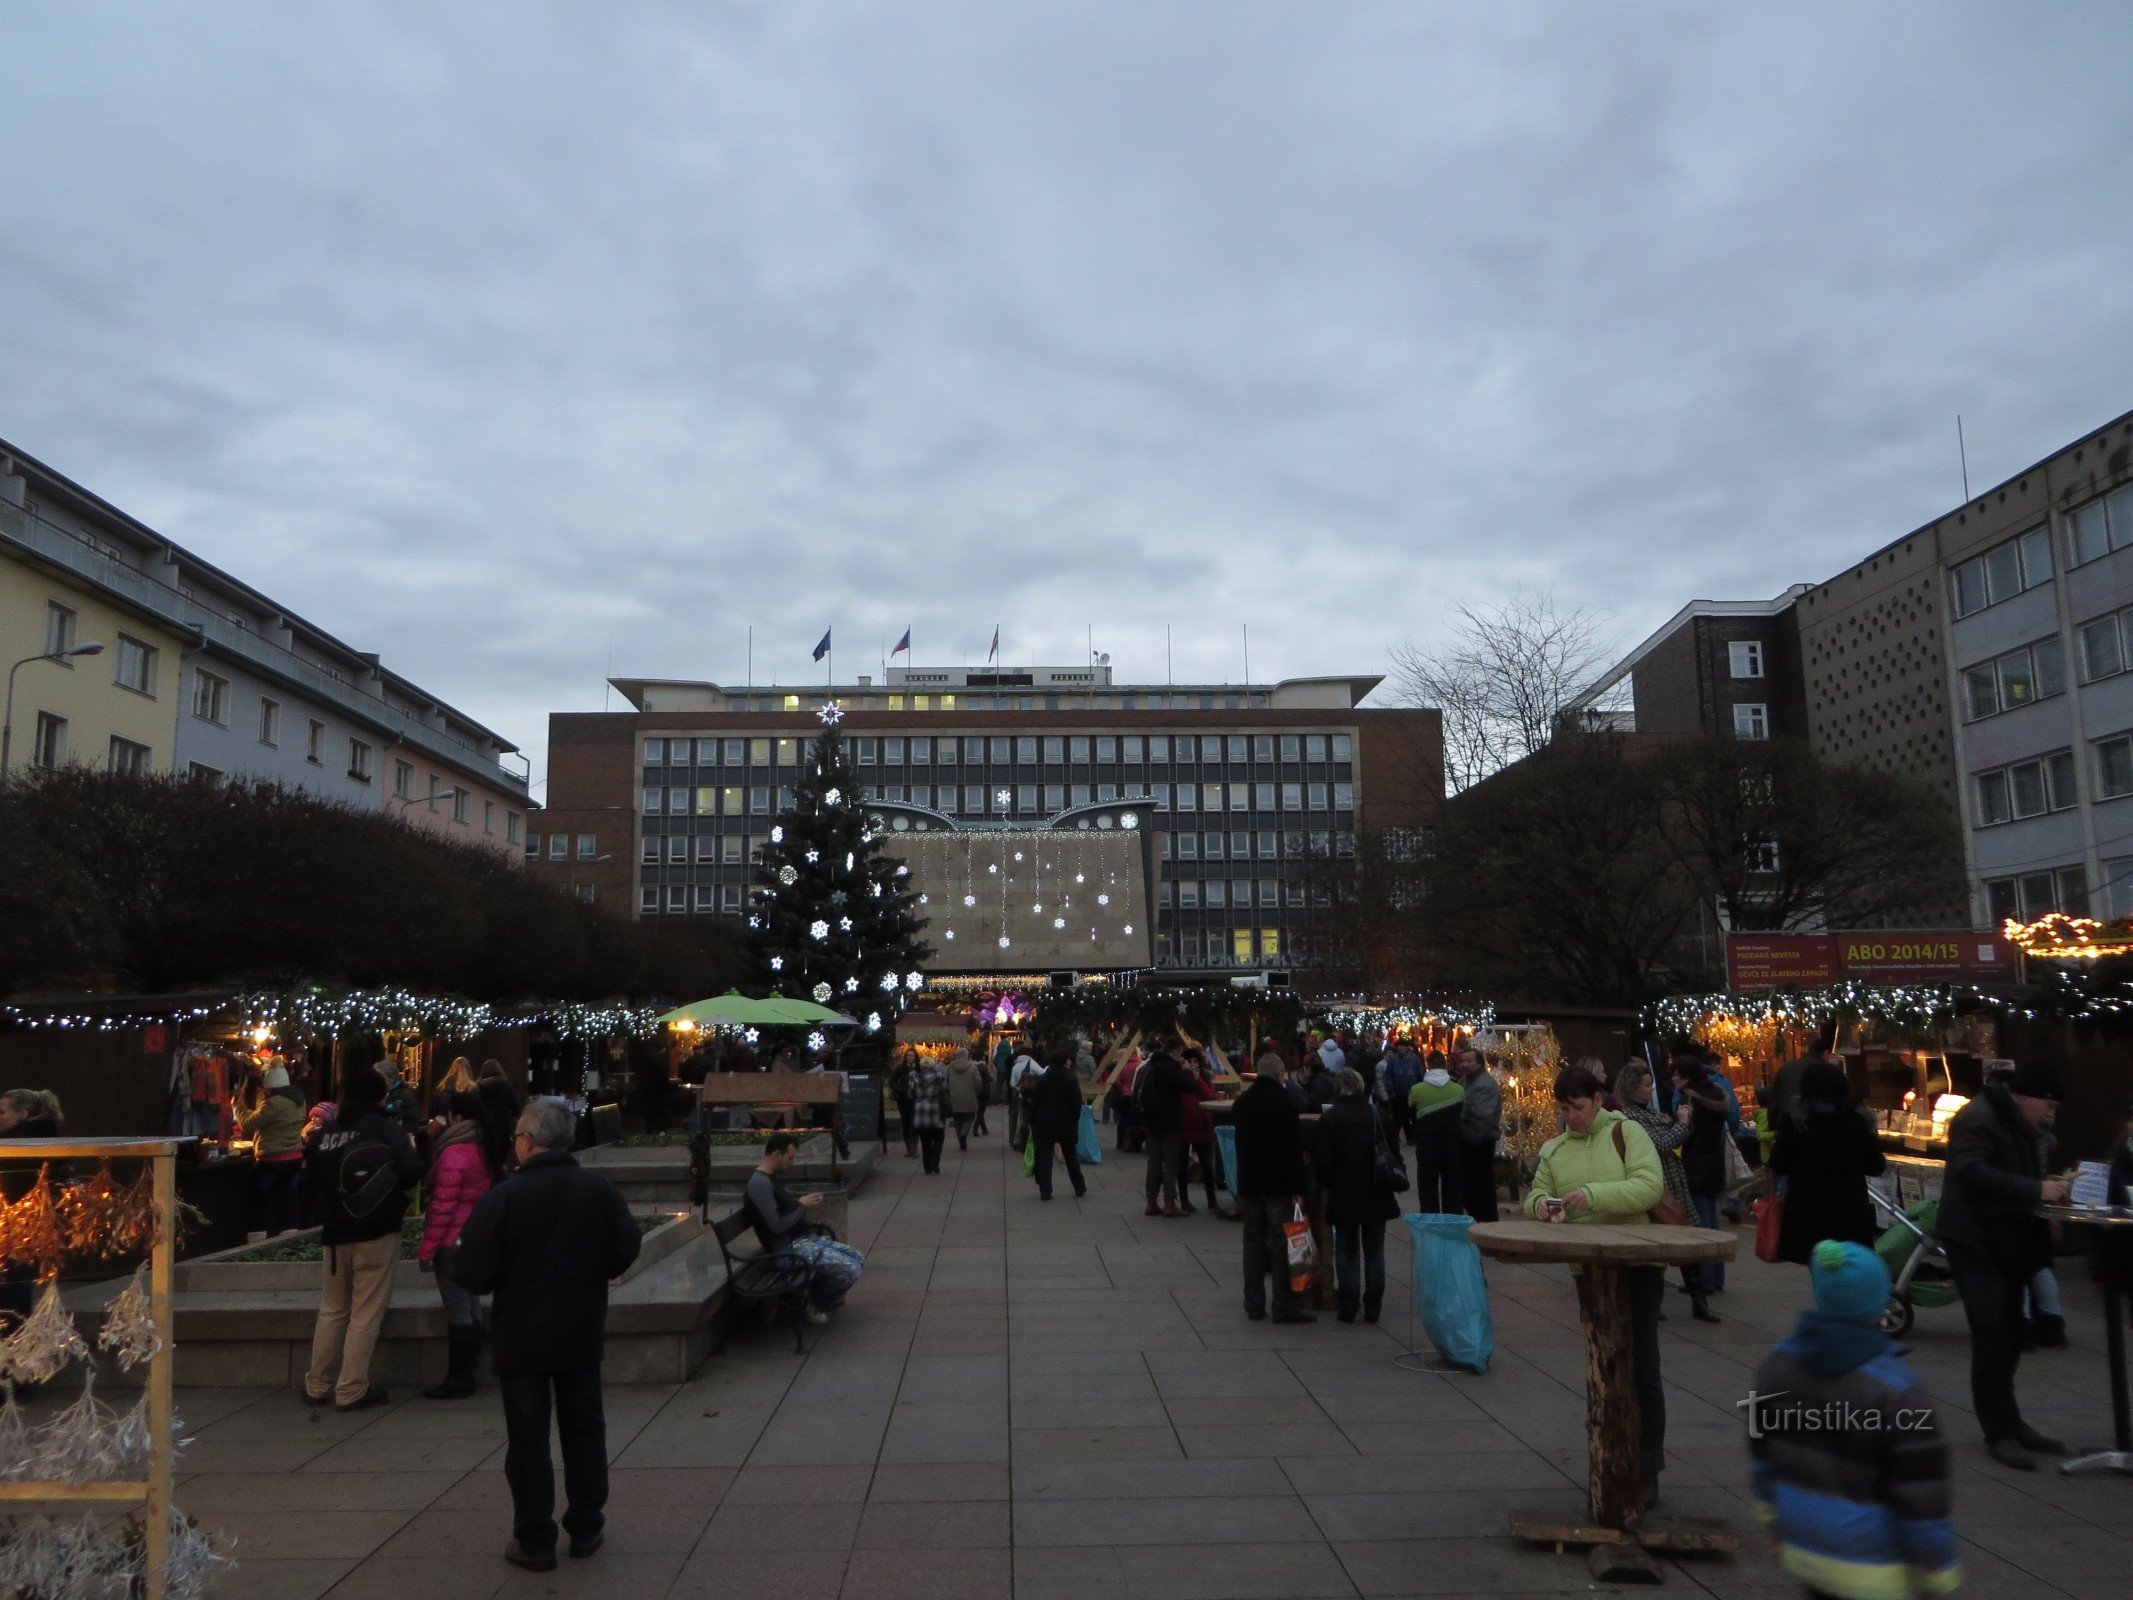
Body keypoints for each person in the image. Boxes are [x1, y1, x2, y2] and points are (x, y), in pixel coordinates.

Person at [454, 1097, 641, 1571]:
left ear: (529, 1140)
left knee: (528, 1440)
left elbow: (474, 1272)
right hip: (580, 1330)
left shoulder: (505, 1197)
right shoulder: (597, 1191)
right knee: (584, 1429)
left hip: (522, 1338)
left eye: (518, 1137)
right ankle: (586, 1526)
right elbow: (625, 1247)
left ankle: (535, 1537)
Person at [1747, 1240, 1959, 1600]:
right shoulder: (1897, 1388)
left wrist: (1773, 1522)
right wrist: (1937, 1567)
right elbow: (1921, 1493)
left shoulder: (1777, 1364)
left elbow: (1763, 1457)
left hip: (1807, 1547)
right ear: (1880, 1306)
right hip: (1874, 1568)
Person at [1525, 1062, 1669, 1507]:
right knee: (1603, 1360)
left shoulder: (1627, 1132)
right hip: (1587, 1268)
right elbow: (1534, 1195)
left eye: (1579, 1107)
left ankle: (1646, 1466)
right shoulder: (1554, 1149)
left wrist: (1593, 1195)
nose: (1572, 1116)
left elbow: (1648, 1187)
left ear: (1597, 1101)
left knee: (1641, 1362)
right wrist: (1542, 1209)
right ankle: (1609, 1458)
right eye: (1565, 1108)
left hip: (1638, 1262)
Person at [1936, 1060, 2071, 1469]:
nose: (2050, 1115)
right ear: (2025, 1097)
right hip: (1976, 1241)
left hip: (2007, 1238)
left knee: (2011, 1332)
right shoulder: (1979, 1117)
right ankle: (1998, 1431)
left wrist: (2050, 1189)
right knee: (1993, 1334)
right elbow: (1971, 1173)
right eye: (2047, 1106)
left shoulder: (2017, 1121)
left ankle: (2013, 1423)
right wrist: (2035, 1188)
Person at [302, 1064, 421, 1412]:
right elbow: (412, 1170)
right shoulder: (385, 1128)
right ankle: (351, 1389)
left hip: (335, 1235)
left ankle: (316, 1384)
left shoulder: (326, 1133)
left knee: (332, 1309)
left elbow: (310, 1183)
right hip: (378, 1230)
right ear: (378, 1096)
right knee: (366, 1312)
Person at [419, 1090, 506, 1399]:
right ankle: (472, 1368)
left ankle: (460, 1376)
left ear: (456, 1118)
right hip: (473, 1238)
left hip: (451, 1242)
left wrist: (427, 1250)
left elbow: (442, 1206)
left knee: (458, 1308)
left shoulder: (455, 1153)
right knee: (470, 1303)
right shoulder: (484, 1148)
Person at [1617, 1060, 1716, 1324]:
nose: (1651, 1089)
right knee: (1664, 1241)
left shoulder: (1646, 1113)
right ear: (1633, 1088)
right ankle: (1664, 1302)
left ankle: (1697, 1300)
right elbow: (1663, 1143)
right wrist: (1682, 1123)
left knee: (1682, 1240)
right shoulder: (1633, 1117)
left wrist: (1675, 1123)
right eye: (1647, 1085)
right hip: (1659, 1184)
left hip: (1673, 1180)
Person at [1769, 1061, 1886, 1267]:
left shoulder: (1798, 1119)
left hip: (1807, 1208)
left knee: (1817, 1263)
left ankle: (1825, 1297)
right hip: (1849, 1207)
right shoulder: (1857, 1120)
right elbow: (1876, 1165)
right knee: (1850, 1264)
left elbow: (1780, 1163)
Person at [744, 1131, 865, 1319]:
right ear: (777, 1155)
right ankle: (817, 1303)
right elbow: (776, 1225)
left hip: (800, 1240)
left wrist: (800, 1204)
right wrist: (802, 1205)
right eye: (790, 1158)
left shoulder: (770, 1179)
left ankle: (818, 1296)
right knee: (851, 1269)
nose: (792, 1163)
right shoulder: (759, 1184)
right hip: (786, 1250)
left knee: (857, 1258)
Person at [1232, 1052, 1315, 1324]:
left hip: (1250, 1183)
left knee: (1252, 1242)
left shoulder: (1243, 1104)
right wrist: (1298, 1187)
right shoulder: (1284, 1104)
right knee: (1280, 1246)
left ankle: (1253, 1304)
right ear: (1280, 1075)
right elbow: (1291, 1151)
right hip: (1278, 1186)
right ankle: (1282, 1305)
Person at [1313, 1069, 1400, 1324]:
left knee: (1345, 1250)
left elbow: (1324, 1165)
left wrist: (1331, 1181)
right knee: (1375, 1252)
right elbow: (1393, 1151)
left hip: (1345, 1193)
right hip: (1377, 1192)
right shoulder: (1378, 1114)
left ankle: (1348, 1305)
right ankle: (1373, 1306)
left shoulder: (1330, 1118)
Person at [1673, 1057, 1733, 1293]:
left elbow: (1684, 1131)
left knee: (1701, 1224)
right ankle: (1717, 1278)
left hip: (1695, 1163)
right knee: (1713, 1222)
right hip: (1714, 1161)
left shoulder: (1689, 1098)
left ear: (1686, 1076)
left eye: (1676, 1074)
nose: (1674, 1079)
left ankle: (1704, 1281)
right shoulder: (1717, 1094)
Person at [241, 1064, 308, 1240]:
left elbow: (248, 1125)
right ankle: (288, 1242)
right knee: (287, 1202)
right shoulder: (299, 1099)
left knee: (259, 1203)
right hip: (294, 1157)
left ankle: (255, 1243)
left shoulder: (272, 1104)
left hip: (271, 1159)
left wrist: (237, 1105)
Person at [1135, 1038, 1194, 1218]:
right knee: (1170, 1163)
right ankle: (1169, 1202)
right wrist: (1188, 1072)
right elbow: (1189, 1087)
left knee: (1153, 1162)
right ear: (1176, 1051)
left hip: (1151, 1122)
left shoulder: (1149, 1066)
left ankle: (1151, 1202)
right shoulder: (1171, 1069)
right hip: (1169, 1122)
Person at [1407, 1054, 1465, 1213]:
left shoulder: (1416, 1090)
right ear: (1445, 1065)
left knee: (1427, 1190)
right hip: (1452, 1146)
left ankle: (1430, 1225)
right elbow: (1463, 1115)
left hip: (1427, 1146)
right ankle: (1452, 1223)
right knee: (1453, 1189)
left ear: (1428, 1065)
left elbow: (1411, 1112)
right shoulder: (1459, 1090)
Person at [1028, 1052, 1089, 1201]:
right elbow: (1076, 1103)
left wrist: (1032, 1120)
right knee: (1070, 1156)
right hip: (1066, 1121)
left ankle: (1045, 1190)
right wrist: (1075, 1118)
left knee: (1045, 1157)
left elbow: (1035, 1102)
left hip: (1045, 1121)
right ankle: (1079, 1186)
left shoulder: (1042, 1079)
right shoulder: (1071, 1079)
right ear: (1064, 1062)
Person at [1458, 1047, 1502, 1224]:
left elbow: (1481, 1118)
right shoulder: (1464, 1080)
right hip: (1469, 1140)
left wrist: (1468, 1136)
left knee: (1480, 1185)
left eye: (1469, 1061)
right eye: (1463, 1061)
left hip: (1479, 1142)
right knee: (1470, 1186)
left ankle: (1487, 1222)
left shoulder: (1484, 1084)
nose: (1465, 1064)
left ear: (1479, 1063)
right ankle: (1478, 1220)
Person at [1769, 1023, 1840, 1130]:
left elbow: (1774, 1099)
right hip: (1815, 1127)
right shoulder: (1825, 1070)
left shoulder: (1786, 1067)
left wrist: (1774, 1125)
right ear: (1826, 1053)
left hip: (1787, 1126)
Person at [1180, 1051, 1222, 1214]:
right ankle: (1184, 1200)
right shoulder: (1180, 1078)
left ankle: (1211, 1199)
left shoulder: (1204, 1078)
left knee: (1207, 1164)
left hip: (1202, 1124)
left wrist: (1198, 1081)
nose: (1193, 1065)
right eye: (1189, 1061)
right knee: (1182, 1165)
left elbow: (1210, 1097)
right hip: (1185, 1124)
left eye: (1195, 1061)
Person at [1375, 1038, 1424, 1143]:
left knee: (1413, 1116)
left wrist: (1421, 1087)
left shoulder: (1415, 1059)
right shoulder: (1393, 1060)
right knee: (1400, 1117)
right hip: (1398, 1093)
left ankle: (1413, 1136)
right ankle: (1399, 1136)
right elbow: (1388, 1076)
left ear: (1407, 1047)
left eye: (1402, 1046)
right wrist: (1391, 1089)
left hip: (1413, 1092)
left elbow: (1420, 1074)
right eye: (1398, 1046)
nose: (1400, 1048)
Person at [909, 1053, 948, 1174]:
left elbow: (910, 1094)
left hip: (921, 1112)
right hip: (936, 1111)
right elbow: (946, 1091)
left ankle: (927, 1167)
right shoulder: (939, 1077)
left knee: (925, 1141)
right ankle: (935, 1161)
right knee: (939, 1138)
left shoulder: (914, 1076)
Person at [944, 1048, 982, 1150]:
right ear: (967, 1055)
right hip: (969, 1096)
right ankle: (964, 1134)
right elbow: (978, 1082)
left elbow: (945, 1081)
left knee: (957, 1119)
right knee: (969, 1118)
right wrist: (976, 1092)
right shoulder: (973, 1067)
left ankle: (960, 1136)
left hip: (954, 1097)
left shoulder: (950, 1067)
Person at [1007, 1043, 1043, 1147]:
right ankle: (1022, 1140)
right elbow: (1042, 1073)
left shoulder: (1016, 1065)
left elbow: (1012, 1083)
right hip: (1028, 1093)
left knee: (1013, 1116)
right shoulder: (1031, 1063)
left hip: (1015, 1092)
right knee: (1024, 1117)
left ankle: (1012, 1139)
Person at [379, 1061, 423, 1141]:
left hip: (402, 1138)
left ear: (391, 1077)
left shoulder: (404, 1094)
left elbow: (395, 1107)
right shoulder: (389, 1092)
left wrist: (379, 1106)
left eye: (380, 1077)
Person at [890, 1049, 921, 1160]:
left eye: (911, 1055)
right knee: (905, 1123)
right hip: (903, 1099)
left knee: (915, 1124)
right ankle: (908, 1148)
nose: (909, 1057)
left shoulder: (919, 1068)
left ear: (915, 1057)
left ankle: (915, 1148)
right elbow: (892, 1080)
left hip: (916, 1099)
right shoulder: (901, 1068)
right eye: (907, 1055)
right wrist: (897, 1089)